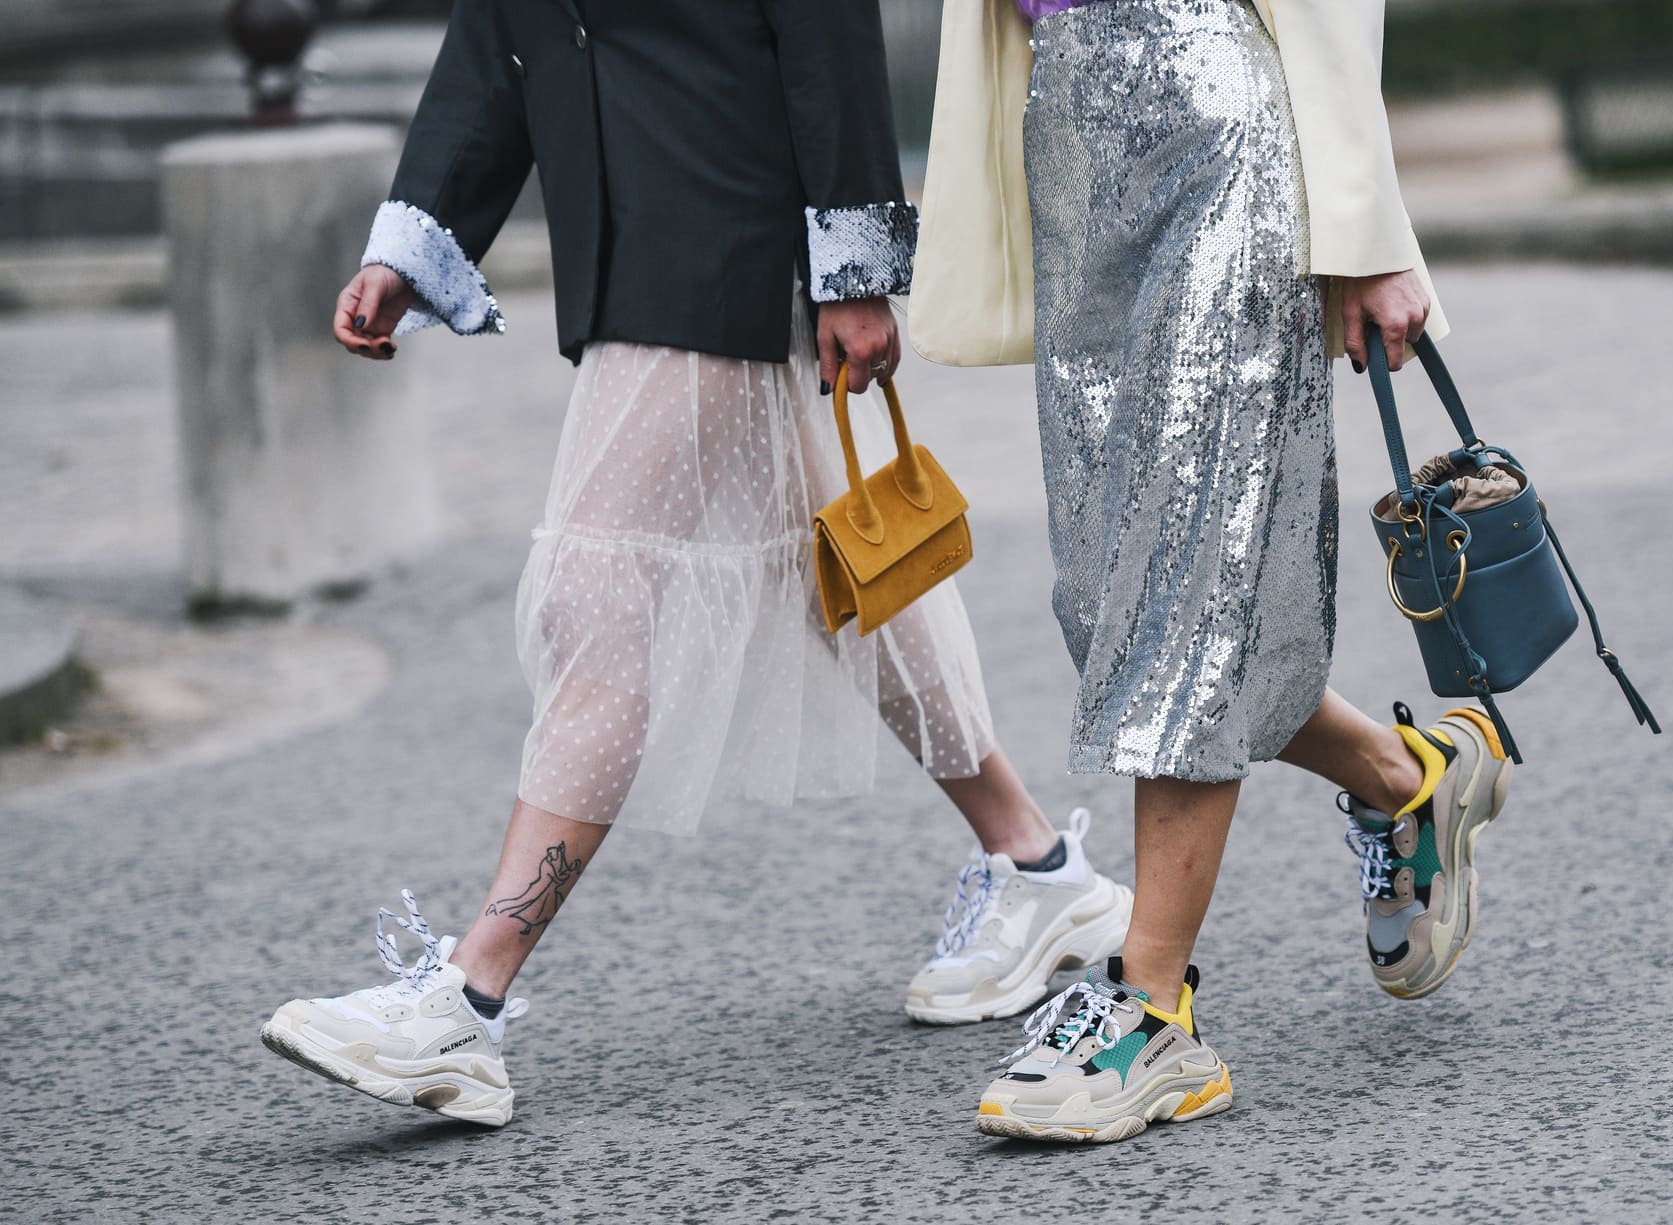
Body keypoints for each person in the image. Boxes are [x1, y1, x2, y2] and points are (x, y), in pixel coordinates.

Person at [259, 0, 1135, 1129]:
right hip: (625, 244)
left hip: (725, 231)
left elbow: (825, 29)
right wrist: (415, 242)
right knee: (849, 574)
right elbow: (496, 39)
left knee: (596, 587)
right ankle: (1040, 866)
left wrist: (853, 267)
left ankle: (466, 1000)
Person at [910, 0, 1515, 1143]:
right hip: (1073, 130)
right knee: (1114, 598)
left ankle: (1151, 1012)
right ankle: (1409, 780)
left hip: (1215, 124)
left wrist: (1367, 232)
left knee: (1187, 575)